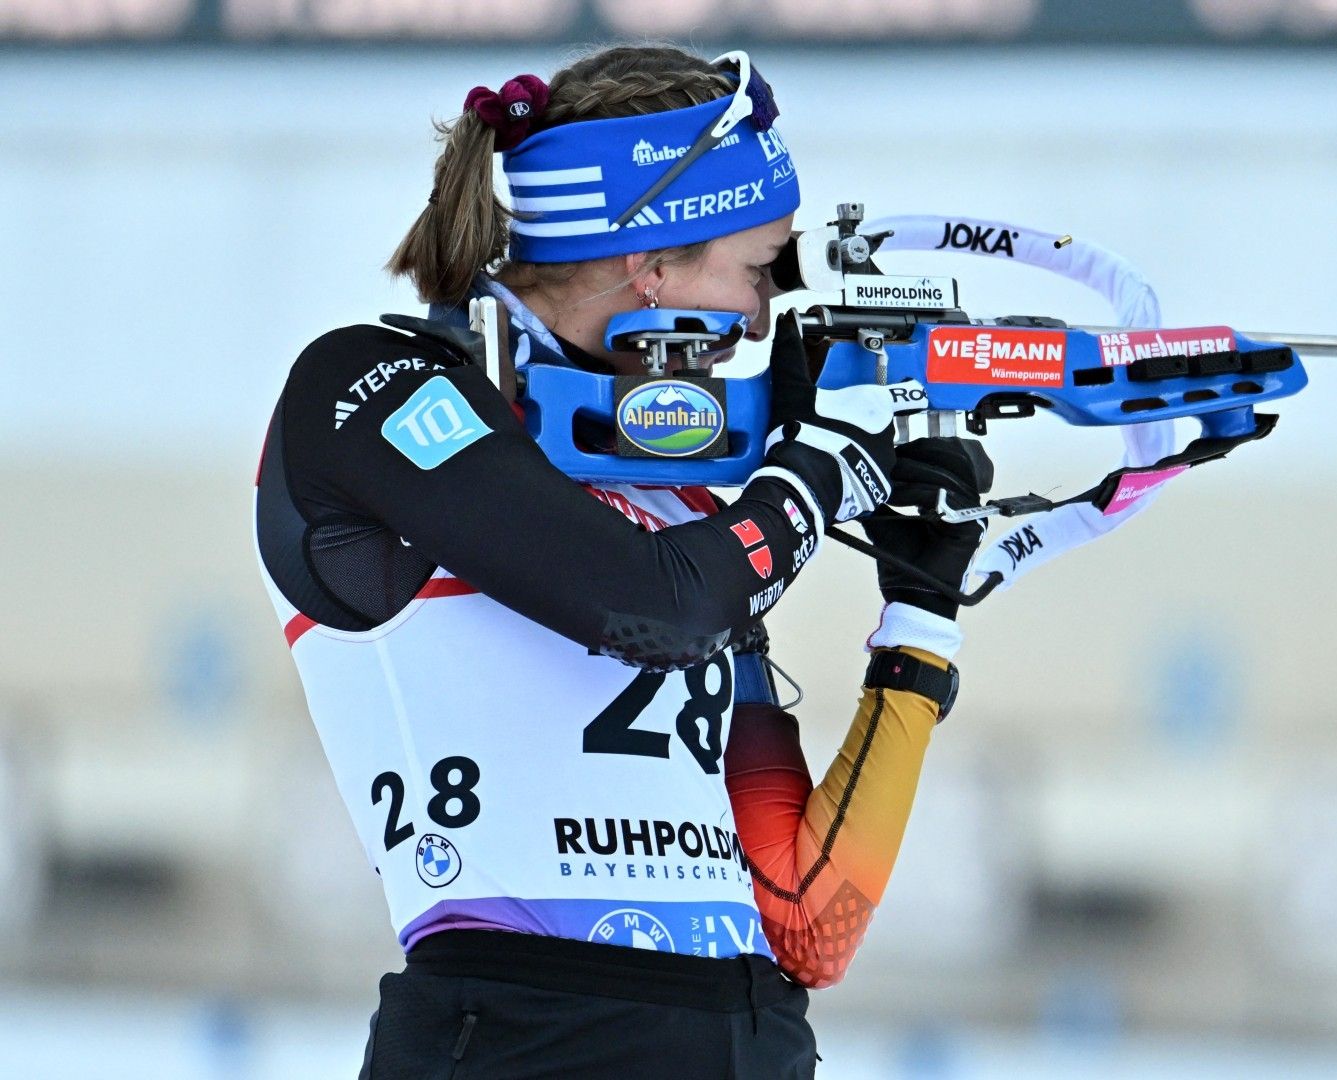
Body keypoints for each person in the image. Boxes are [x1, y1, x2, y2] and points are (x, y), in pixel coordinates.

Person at [252, 42, 987, 1079]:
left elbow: (808, 926)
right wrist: (816, 478)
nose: (763, 317)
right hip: (520, 1037)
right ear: (654, 264)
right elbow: (657, 608)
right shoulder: (369, 388)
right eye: (755, 268)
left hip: (745, 1040)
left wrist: (920, 614)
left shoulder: (683, 506)